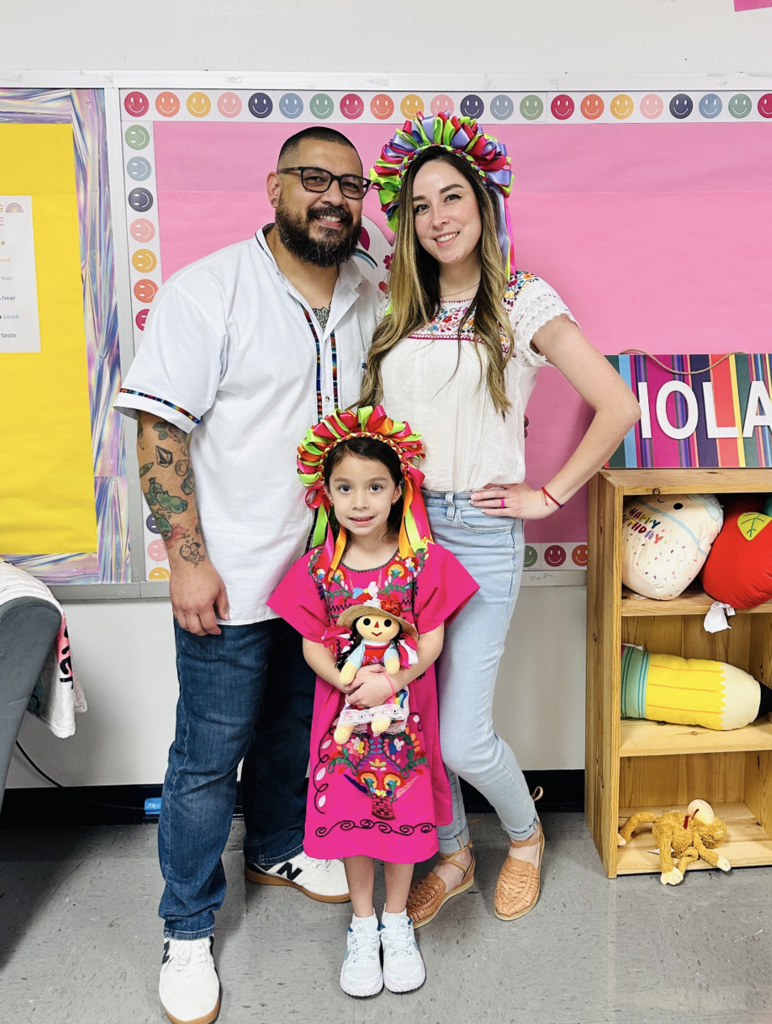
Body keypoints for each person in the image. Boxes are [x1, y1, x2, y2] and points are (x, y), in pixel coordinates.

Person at [115, 127, 382, 1024]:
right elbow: (160, 432)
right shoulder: (209, 292)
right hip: (228, 579)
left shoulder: (368, 290)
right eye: (315, 180)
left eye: (352, 186)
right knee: (204, 760)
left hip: (326, 585)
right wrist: (185, 563)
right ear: (273, 189)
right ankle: (187, 932)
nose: (334, 198)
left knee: (291, 736)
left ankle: (273, 847)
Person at [362, 113, 641, 926]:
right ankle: (452, 853)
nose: (437, 216)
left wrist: (548, 494)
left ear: (484, 206)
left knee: (459, 735)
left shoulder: (521, 297)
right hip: (405, 536)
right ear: (406, 220)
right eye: (419, 205)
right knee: (414, 716)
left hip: (480, 534)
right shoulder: (396, 304)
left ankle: (523, 837)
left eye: (453, 197)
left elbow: (616, 404)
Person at [269, 406, 478, 997]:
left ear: (397, 490)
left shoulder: (423, 563)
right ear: (326, 493)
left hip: (404, 732)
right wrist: (342, 681)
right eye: (345, 488)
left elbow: (432, 638)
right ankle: (362, 923)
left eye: (375, 486)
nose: (359, 501)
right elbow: (312, 644)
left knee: (403, 821)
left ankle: (395, 920)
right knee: (352, 823)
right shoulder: (318, 568)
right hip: (341, 735)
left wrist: (393, 679)